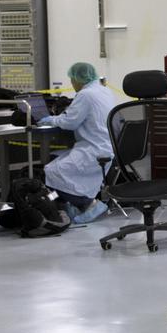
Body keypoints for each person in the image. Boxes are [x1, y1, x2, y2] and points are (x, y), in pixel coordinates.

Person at [38, 62, 118, 225]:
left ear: (78, 79)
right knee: (57, 166)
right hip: (106, 146)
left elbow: (70, 122)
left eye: (72, 80)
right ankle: (73, 205)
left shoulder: (85, 94)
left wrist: (51, 120)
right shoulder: (104, 90)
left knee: (52, 171)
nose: (72, 84)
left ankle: (89, 204)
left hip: (94, 148)